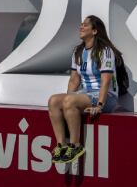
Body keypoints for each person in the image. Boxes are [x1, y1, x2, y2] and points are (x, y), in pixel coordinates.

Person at [46, 15, 121, 164]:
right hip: (86, 94)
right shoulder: (78, 51)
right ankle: (62, 145)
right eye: (81, 24)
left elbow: (106, 81)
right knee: (53, 101)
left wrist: (99, 105)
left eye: (85, 25)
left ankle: (76, 146)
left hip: (106, 97)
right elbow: (74, 80)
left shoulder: (105, 51)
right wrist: (67, 102)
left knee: (69, 101)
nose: (81, 27)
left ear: (94, 31)